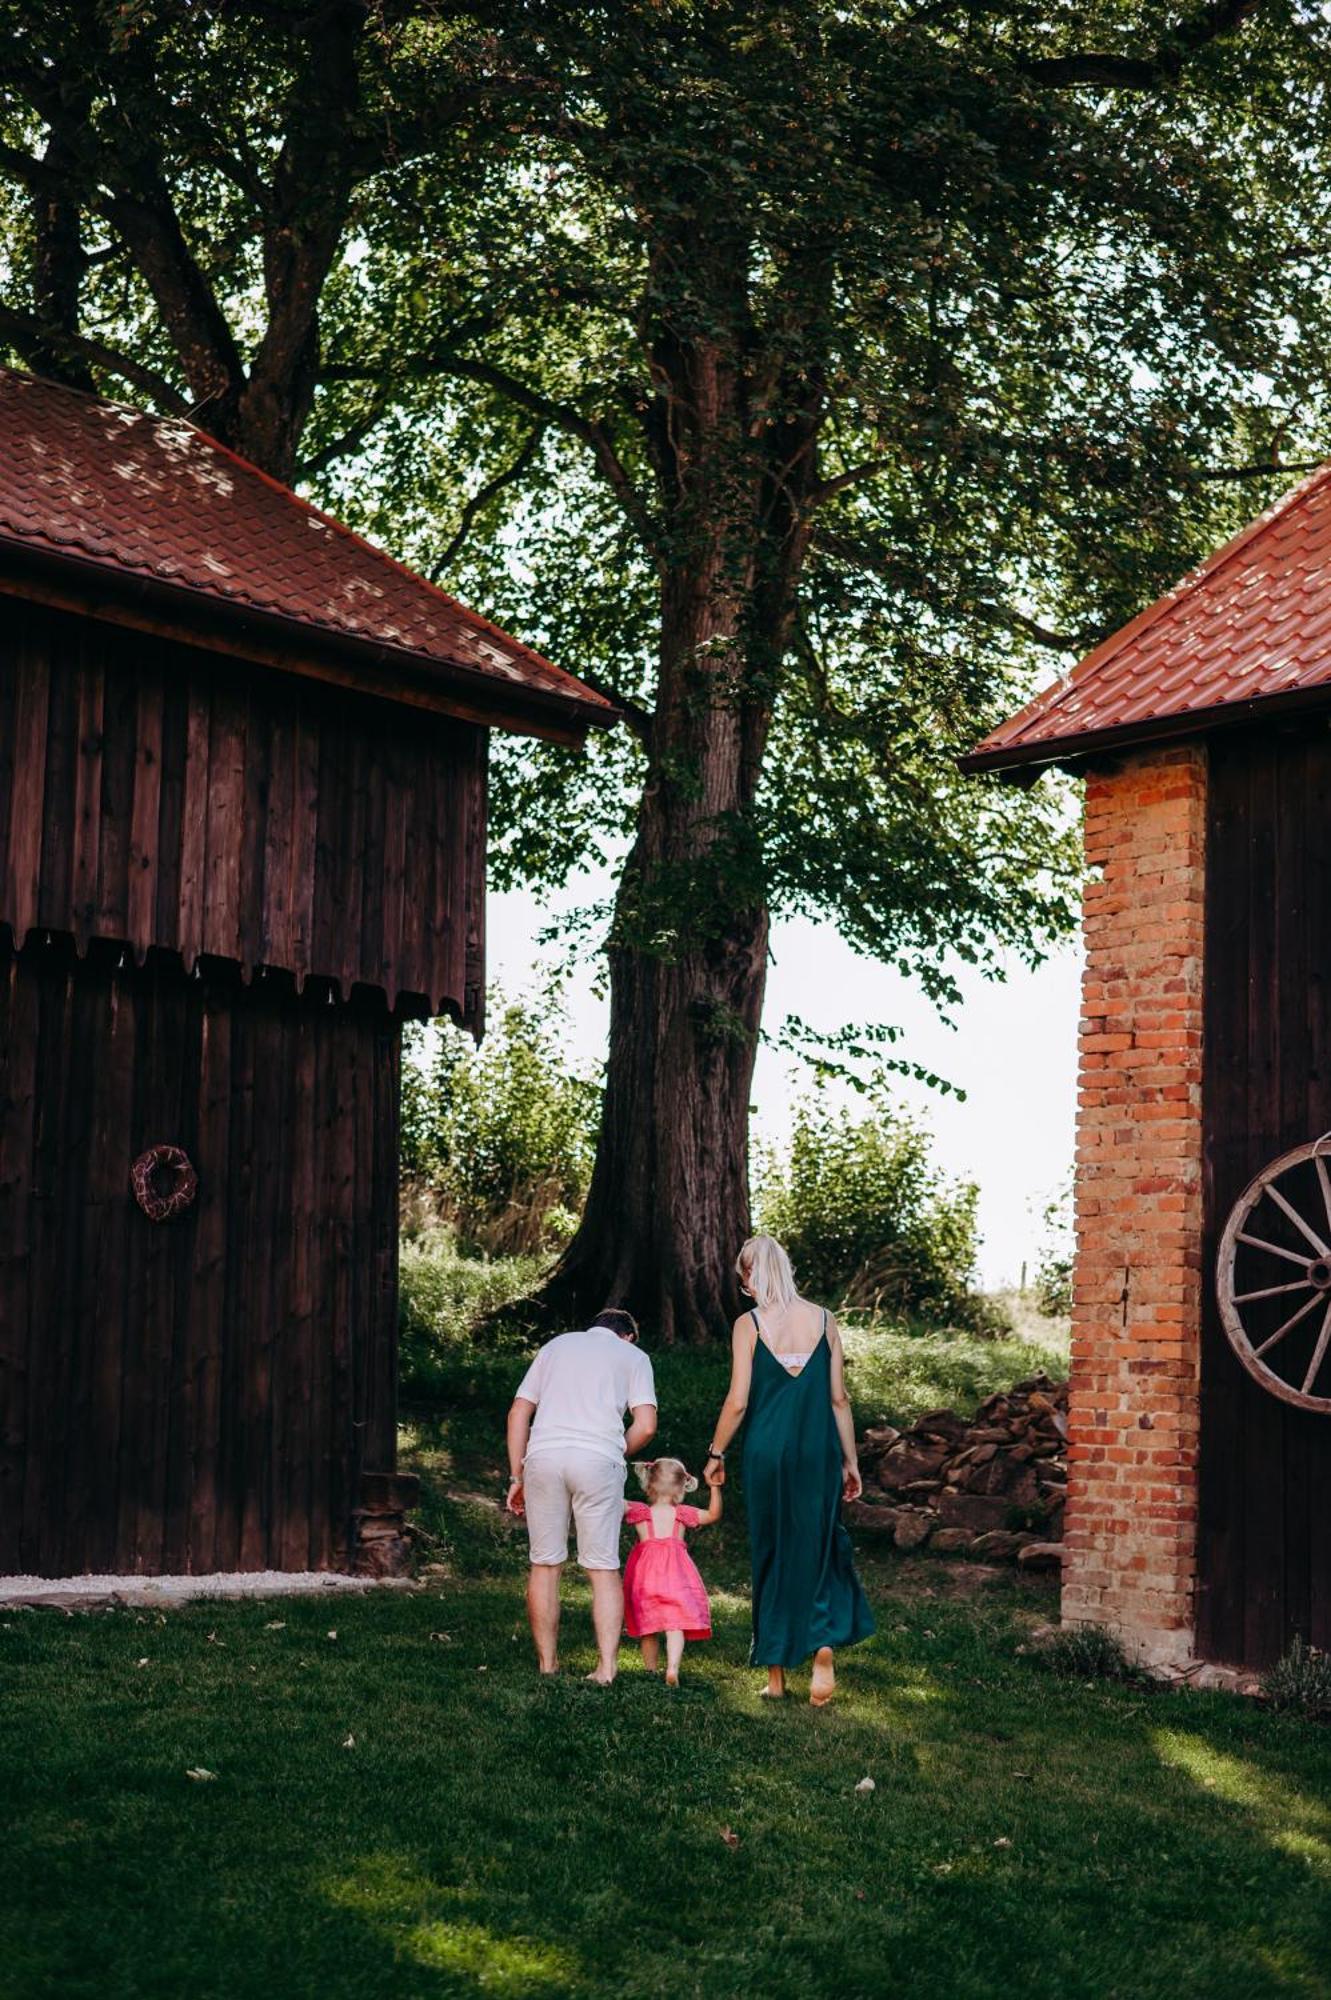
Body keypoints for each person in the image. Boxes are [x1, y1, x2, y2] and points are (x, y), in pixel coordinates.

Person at [704, 1234, 874, 1705]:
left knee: (773, 1552)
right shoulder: (825, 1319)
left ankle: (777, 1677)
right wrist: (850, 1461)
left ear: (752, 1275)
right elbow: (839, 1398)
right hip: (817, 1450)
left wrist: (716, 1453)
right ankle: (821, 1648)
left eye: (745, 1278)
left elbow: (738, 1402)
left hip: (767, 1453)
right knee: (818, 1548)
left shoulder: (749, 1325)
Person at [505, 1307, 657, 1684]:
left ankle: (548, 1664)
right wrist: (614, 1450)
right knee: (602, 1567)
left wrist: (515, 1475)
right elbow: (647, 1426)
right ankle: (606, 1668)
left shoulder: (556, 1346)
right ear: (628, 1335)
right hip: (598, 1459)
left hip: (543, 1456)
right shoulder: (634, 1356)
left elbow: (518, 1412)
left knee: (545, 1563)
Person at [622, 1457, 722, 1685]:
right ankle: (672, 1669)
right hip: (676, 1577)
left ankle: (650, 1671)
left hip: (645, 1578)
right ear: (681, 1487)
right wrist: (715, 1488)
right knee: (674, 1623)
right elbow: (713, 1515)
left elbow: (610, 1501)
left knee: (649, 1624)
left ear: (648, 1483)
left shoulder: (639, 1512)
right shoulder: (682, 1514)